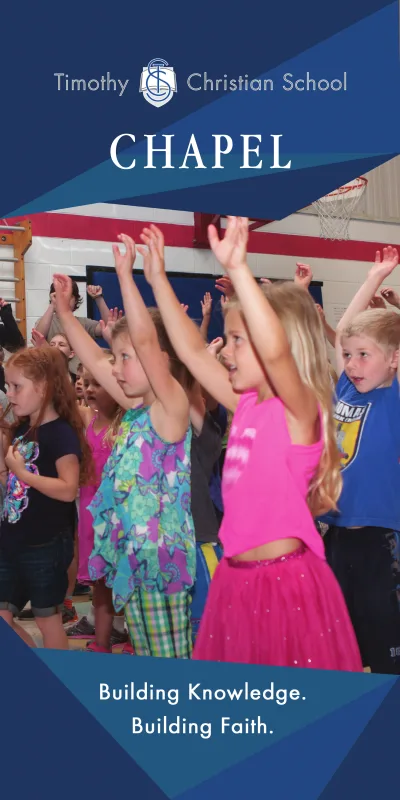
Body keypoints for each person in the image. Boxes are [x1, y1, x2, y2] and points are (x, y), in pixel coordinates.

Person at [144, 217, 362, 670]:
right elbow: (189, 352)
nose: (226, 351)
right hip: (235, 581)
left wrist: (241, 272)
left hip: (285, 585)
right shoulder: (244, 406)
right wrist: (157, 280)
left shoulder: (299, 411)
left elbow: (277, 352)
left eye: (239, 341)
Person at [53, 233, 196, 658]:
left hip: (160, 564)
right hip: (133, 562)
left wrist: (127, 277)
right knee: (149, 653)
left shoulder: (170, 407)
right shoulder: (134, 408)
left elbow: (147, 342)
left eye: (124, 358)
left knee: (169, 660)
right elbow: (95, 360)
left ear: (160, 362)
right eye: (116, 358)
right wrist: (64, 311)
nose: (114, 368)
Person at [322, 246, 400, 674]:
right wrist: (373, 277)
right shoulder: (347, 389)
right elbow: (342, 334)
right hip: (337, 532)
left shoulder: (393, 396)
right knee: (342, 639)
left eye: (363, 355)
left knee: (384, 632)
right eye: (348, 356)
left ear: (393, 360)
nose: (351, 364)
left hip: (380, 537)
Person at [0, 347, 92, 649]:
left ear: (43, 389)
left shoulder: (60, 433)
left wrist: (21, 473)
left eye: (16, 386)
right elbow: (14, 485)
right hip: (12, 540)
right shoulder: (24, 430)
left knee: (46, 618)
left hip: (45, 545)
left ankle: (57, 682)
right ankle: (38, 670)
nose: (9, 394)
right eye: (7, 386)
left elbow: (68, 489)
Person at [35, 281, 110, 375]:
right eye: (61, 297)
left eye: (69, 297)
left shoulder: (83, 323)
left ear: (75, 300)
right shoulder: (46, 321)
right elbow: (38, 336)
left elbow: (108, 327)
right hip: (53, 376)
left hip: (80, 379)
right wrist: (53, 304)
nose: (65, 300)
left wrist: (98, 298)